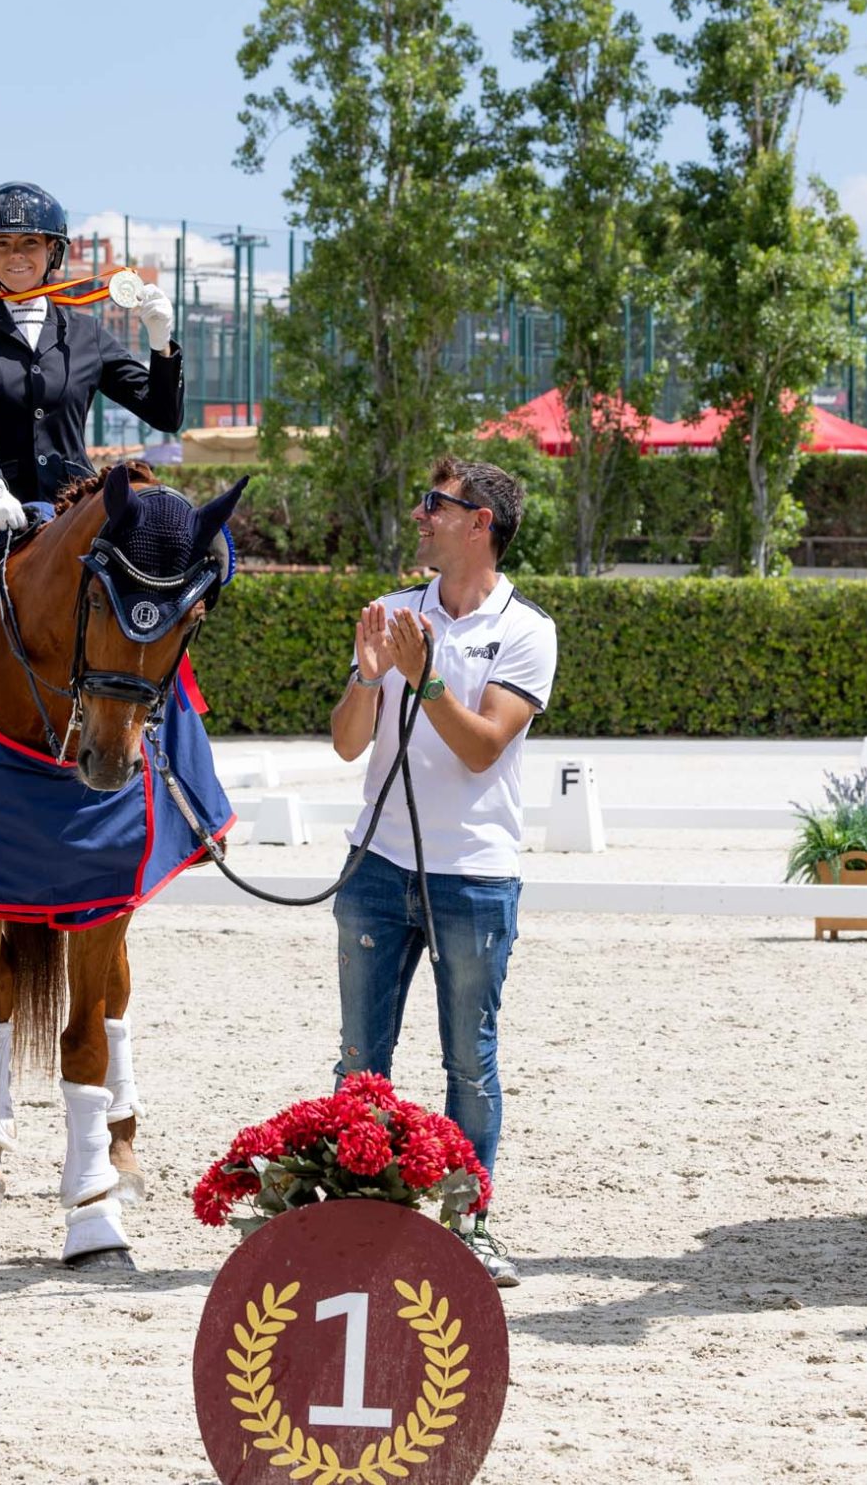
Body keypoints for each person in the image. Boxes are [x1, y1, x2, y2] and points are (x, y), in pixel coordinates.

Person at [329, 457, 558, 1288]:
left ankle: (469, 1224)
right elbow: (350, 742)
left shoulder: (527, 630)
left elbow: (482, 746)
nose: (420, 515)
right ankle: (356, 1217)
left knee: (471, 1062)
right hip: (378, 867)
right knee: (361, 1059)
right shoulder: (392, 612)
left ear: (481, 523)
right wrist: (367, 676)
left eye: (437, 505)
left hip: (475, 876)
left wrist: (423, 682)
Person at [0, 181, 183, 637]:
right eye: (2, 244)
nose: (16, 254)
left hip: (78, 514)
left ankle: (166, 711)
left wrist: (162, 344)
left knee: (156, 615)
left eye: (30, 242)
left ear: (53, 250)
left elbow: (164, 414)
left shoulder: (87, 334)